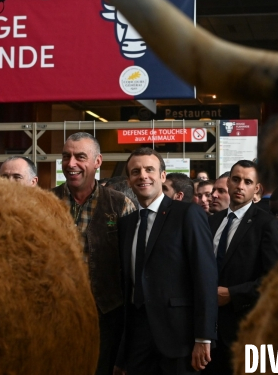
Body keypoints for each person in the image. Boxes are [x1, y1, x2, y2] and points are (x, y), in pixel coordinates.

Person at [117, 147, 217, 375]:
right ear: (129, 181)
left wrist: (204, 337)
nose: (142, 175)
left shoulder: (187, 214)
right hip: (138, 339)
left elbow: (205, 277)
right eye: (135, 171)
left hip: (179, 338)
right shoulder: (127, 224)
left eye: (149, 169)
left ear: (162, 176)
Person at [52, 132, 136, 375]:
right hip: (57, 313)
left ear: (98, 162)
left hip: (106, 315)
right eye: (66, 157)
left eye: (80, 157)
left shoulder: (120, 204)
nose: (71, 164)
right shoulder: (44, 201)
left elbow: (131, 265)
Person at [204, 160, 278, 375]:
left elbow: (275, 280)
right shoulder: (212, 221)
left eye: (247, 182)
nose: (240, 186)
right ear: (228, 182)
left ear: (256, 189)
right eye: (236, 179)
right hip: (207, 329)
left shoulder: (266, 224)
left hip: (243, 328)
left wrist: (233, 293)